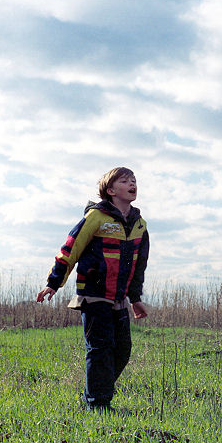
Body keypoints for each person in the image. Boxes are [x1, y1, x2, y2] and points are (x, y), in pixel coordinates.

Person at [37, 167, 149, 412]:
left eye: (134, 180)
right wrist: (53, 283)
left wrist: (135, 298)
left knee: (122, 350)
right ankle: (98, 404)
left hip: (118, 299)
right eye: (125, 180)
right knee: (100, 349)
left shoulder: (139, 225)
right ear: (110, 190)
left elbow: (139, 266)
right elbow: (71, 249)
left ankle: (94, 395)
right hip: (94, 295)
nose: (132, 183)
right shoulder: (96, 217)